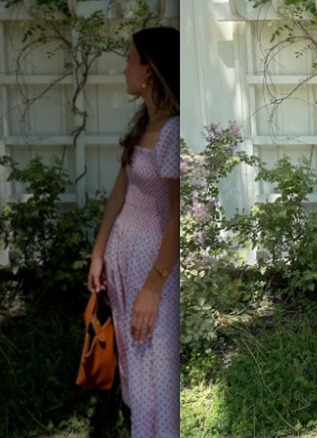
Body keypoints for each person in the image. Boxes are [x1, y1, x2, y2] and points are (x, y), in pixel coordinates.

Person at [87, 26, 180, 437]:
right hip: (124, 264)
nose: (124, 68)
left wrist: (153, 286)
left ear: (150, 70)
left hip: (151, 268)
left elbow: (178, 218)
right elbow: (117, 196)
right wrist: (99, 252)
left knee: (154, 362)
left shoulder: (173, 133)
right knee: (135, 359)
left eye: (130, 59)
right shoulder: (147, 123)